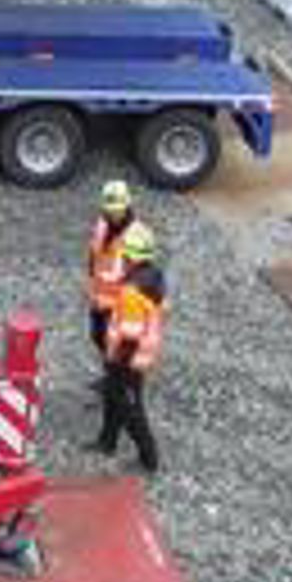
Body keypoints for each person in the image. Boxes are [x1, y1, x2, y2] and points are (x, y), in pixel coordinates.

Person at [90, 221, 165, 474]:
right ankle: (107, 442)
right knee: (114, 398)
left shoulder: (132, 292)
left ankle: (148, 458)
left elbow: (130, 334)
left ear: (131, 257)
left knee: (131, 409)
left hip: (128, 360)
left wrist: (116, 363)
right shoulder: (151, 276)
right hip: (130, 358)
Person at [86, 180, 135, 372]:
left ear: (127, 206)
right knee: (97, 336)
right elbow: (93, 254)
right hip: (99, 298)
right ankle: (111, 374)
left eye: (118, 210)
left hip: (120, 303)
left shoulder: (135, 235)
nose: (114, 214)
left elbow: (141, 271)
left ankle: (118, 382)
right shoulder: (101, 224)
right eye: (110, 210)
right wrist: (91, 281)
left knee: (116, 346)